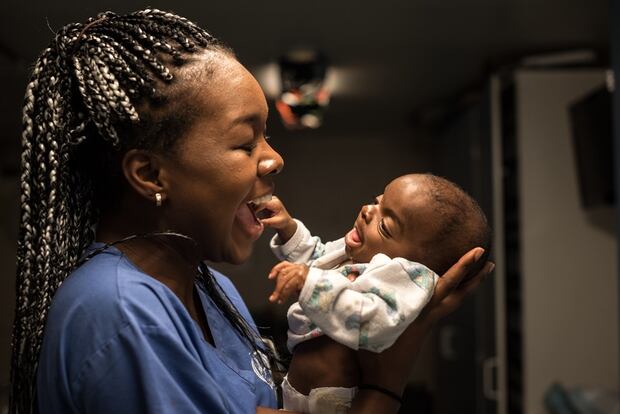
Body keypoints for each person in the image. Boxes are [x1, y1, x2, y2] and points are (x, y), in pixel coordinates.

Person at [9, 9, 494, 414]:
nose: (275, 159)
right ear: (151, 175)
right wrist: (387, 378)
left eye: (268, 137)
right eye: (245, 142)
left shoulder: (212, 288)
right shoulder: (120, 312)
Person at [261, 173, 490, 412]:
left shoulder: (399, 279)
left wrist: (309, 283)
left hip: (329, 402)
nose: (367, 210)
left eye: (385, 226)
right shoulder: (358, 256)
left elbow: (372, 322)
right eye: (377, 201)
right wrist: (289, 230)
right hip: (296, 392)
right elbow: (319, 259)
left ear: (415, 268)